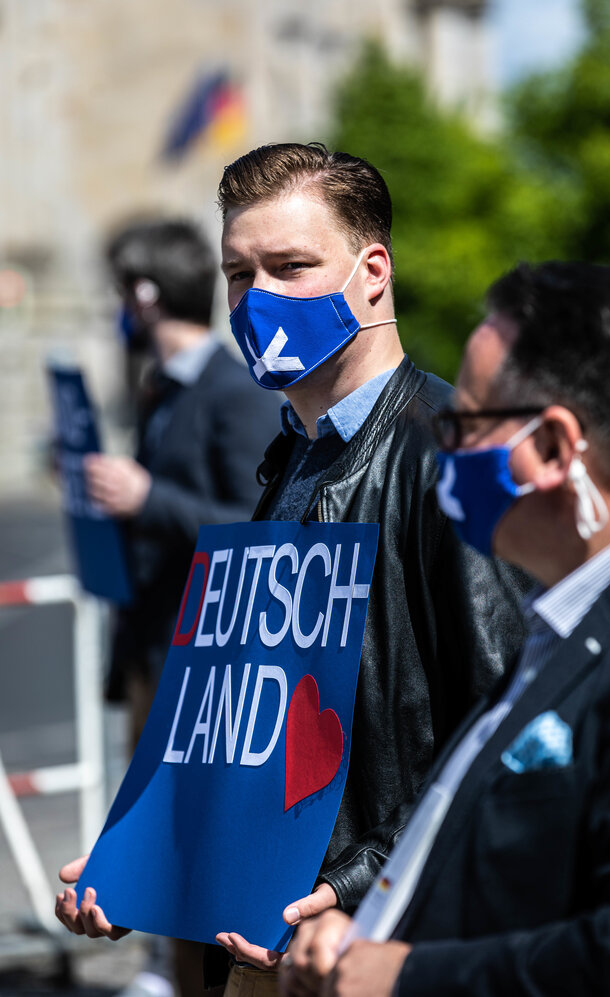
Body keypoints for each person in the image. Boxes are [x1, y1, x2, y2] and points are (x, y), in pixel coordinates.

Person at [56, 145, 526, 995]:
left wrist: (356, 886)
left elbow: (500, 720)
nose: (258, 297)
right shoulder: (293, 455)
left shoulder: (445, 452)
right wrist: (139, 865)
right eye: (240, 273)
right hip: (260, 940)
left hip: (369, 941)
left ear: (371, 270)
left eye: (291, 266)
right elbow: (247, 716)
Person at [282, 260, 610, 997]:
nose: (442, 450)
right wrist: (371, 928)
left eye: (464, 424)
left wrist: (407, 974)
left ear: (553, 450)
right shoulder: (567, 623)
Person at [68, 217, 281, 997]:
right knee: (154, 832)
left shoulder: (232, 392)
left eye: (125, 289)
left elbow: (254, 521)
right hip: (152, 644)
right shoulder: (161, 389)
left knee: (192, 836)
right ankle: (163, 966)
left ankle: (187, 974)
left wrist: (148, 494)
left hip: (200, 657)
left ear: (148, 294)